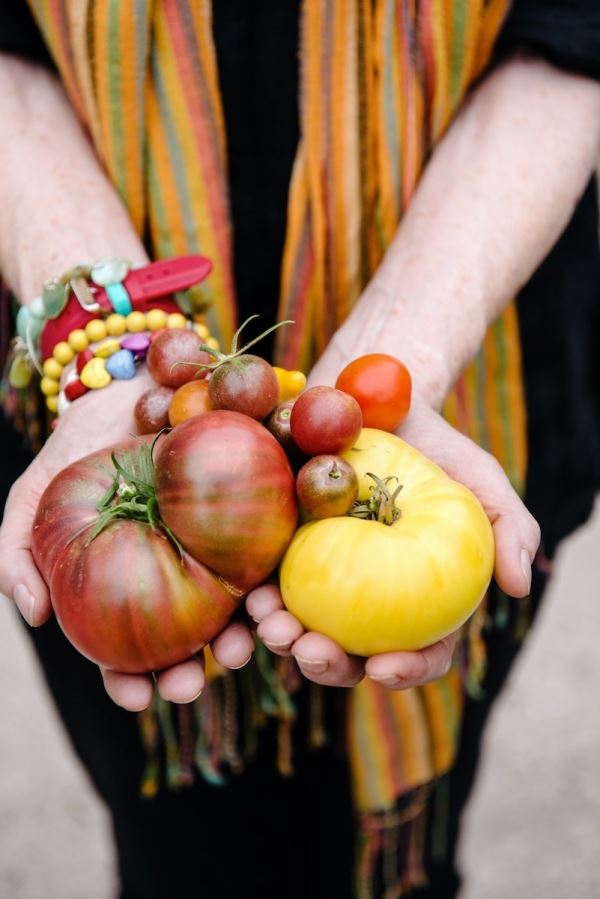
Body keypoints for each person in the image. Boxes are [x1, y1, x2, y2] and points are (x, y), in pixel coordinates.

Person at [0, 2, 599, 897]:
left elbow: (572, 32)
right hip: (90, 387)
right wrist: (109, 344)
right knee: (179, 850)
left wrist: (407, 347)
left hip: (476, 350)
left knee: (398, 856)